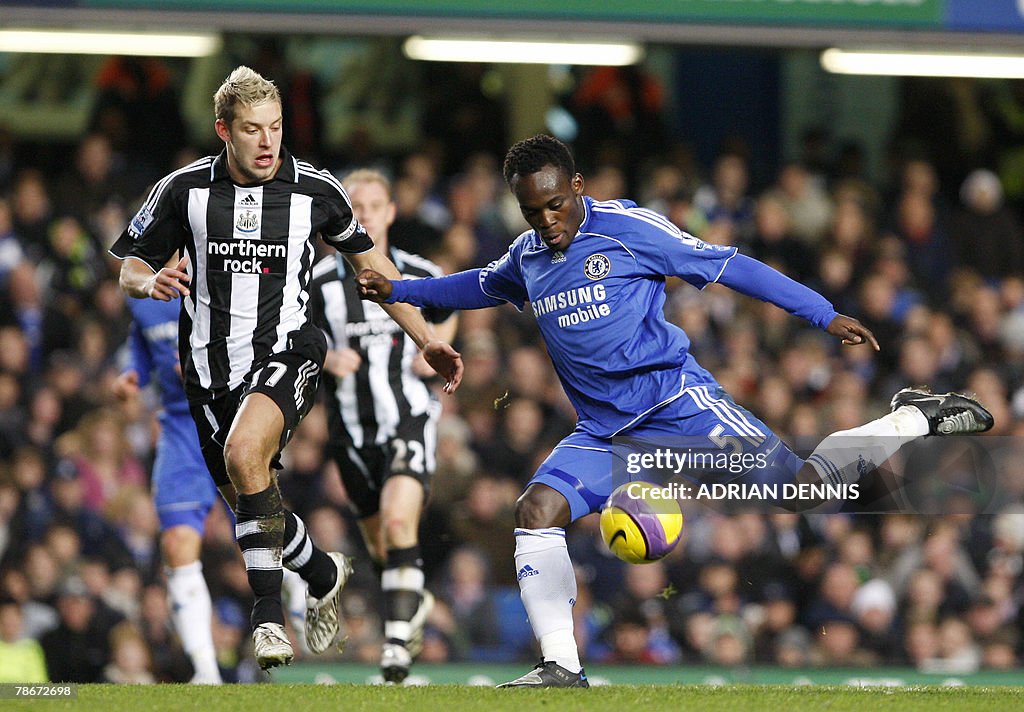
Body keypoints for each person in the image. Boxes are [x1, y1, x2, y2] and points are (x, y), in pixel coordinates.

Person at [356, 134, 994, 688]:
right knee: (536, 512)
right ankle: (561, 665)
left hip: (677, 407)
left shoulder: (631, 230)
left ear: (578, 186)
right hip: (604, 432)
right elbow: (475, 286)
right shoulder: (527, 257)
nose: (547, 220)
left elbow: (731, 267)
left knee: (805, 488)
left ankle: (911, 418)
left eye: (556, 203)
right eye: (532, 211)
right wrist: (400, 288)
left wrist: (823, 314)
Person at [110, 66, 462, 671]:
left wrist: (425, 338)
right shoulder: (182, 190)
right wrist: (151, 281)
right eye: (252, 130)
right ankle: (323, 571)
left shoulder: (316, 190)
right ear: (224, 130)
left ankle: (269, 619)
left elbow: (372, 272)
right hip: (208, 370)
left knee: (246, 456)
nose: (268, 142)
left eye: (275, 127)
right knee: (254, 498)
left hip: (290, 351)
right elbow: (127, 268)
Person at [309, 169, 457, 683]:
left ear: (391, 212)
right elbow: (287, 337)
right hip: (350, 430)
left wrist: (433, 342)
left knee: (399, 525)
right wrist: (326, 358)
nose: (366, 212)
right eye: (356, 204)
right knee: (381, 547)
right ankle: (411, 598)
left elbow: (450, 309)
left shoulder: (416, 270)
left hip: (409, 418)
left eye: (375, 204)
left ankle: (395, 651)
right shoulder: (317, 283)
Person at [112, 289, 227, 683]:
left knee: (265, 537)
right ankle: (206, 672)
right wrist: (132, 376)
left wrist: (207, 366)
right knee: (177, 545)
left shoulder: (226, 271)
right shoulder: (144, 298)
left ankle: (306, 593)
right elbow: (142, 348)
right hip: (180, 428)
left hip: (234, 419)